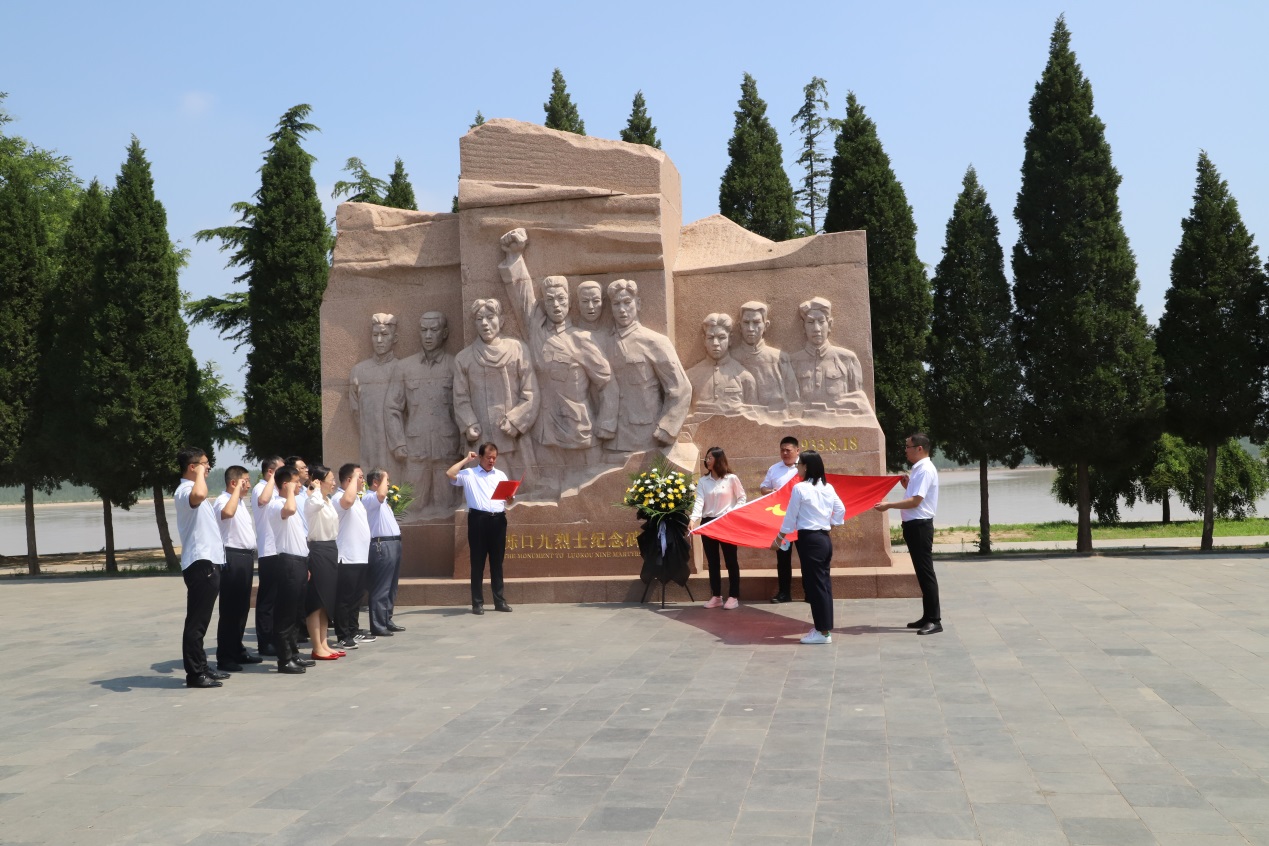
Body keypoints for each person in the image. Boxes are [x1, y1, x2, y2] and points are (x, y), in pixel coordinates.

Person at [596, 279, 692, 454]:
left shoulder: (655, 341)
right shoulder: (603, 343)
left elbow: (680, 387)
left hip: (645, 435)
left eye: (627, 302)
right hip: (612, 438)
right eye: (616, 304)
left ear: (638, 304)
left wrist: (668, 428)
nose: (622, 309)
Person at [452, 298, 540, 482]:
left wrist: (516, 421)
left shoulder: (517, 349)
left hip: (512, 435)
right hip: (481, 435)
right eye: (479, 319)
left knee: (518, 486)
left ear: (502, 320)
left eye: (490, 317)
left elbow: (530, 392)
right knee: (482, 486)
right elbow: (460, 398)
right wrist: (469, 424)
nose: (485, 323)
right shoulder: (464, 358)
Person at [385, 311, 461, 512]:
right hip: (414, 449)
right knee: (410, 507)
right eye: (424, 330)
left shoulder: (455, 365)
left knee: (447, 505)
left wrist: (464, 443)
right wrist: (398, 443)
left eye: (434, 330)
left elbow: (463, 405)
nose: (428, 336)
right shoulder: (404, 367)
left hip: (447, 448)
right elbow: (392, 408)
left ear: (444, 333)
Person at [773, 450, 846, 645]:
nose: (797, 467)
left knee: (816, 587)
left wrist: (779, 538)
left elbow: (790, 516)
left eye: (799, 464)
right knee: (823, 585)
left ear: (806, 467)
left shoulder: (800, 488)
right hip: (823, 539)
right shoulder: (827, 487)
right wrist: (831, 524)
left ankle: (823, 632)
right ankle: (823, 628)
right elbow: (840, 510)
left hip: (810, 540)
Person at [173, 447, 230, 689]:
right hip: (200, 564)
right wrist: (199, 474)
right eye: (205, 464)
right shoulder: (186, 490)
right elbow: (197, 494)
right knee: (196, 622)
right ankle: (195, 673)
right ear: (192, 467)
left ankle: (203, 667)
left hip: (208, 562)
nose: (208, 468)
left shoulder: (195, 489)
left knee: (202, 621)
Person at [873, 433, 941, 635]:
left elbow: (915, 502)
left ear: (919, 448)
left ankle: (935, 620)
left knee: (926, 572)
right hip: (914, 525)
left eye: (908, 447)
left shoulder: (925, 469)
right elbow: (915, 496)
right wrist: (908, 485)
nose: (905, 451)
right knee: (921, 572)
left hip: (920, 526)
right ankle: (927, 616)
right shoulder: (919, 469)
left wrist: (889, 505)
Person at [447, 443, 515, 615]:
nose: (492, 461)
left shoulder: (500, 475)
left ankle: (499, 601)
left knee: (497, 562)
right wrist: (466, 460)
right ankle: (477, 603)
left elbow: (509, 500)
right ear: (480, 457)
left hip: (498, 520)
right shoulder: (469, 474)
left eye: (494, 458)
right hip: (478, 520)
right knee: (477, 562)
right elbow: (450, 473)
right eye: (488, 457)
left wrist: (510, 499)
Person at [213, 465, 262, 672]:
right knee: (230, 609)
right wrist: (235, 493)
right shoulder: (223, 500)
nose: (248, 485)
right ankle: (225, 656)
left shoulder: (240, 502)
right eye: (245, 481)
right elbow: (227, 513)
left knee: (242, 608)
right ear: (234, 483)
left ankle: (237, 649)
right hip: (232, 556)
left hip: (245, 557)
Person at [787, 297, 872, 414]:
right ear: (803, 326)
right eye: (810, 322)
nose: (816, 329)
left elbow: (858, 402)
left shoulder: (847, 359)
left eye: (821, 322)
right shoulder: (792, 362)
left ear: (830, 324)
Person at [267, 467, 314, 675]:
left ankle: (294, 653)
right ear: (285, 484)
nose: (300, 485)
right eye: (296, 482)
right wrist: (289, 492)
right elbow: (290, 510)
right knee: (285, 614)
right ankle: (284, 659)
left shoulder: (289, 502)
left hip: (299, 562)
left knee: (296, 613)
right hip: (287, 562)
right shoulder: (277, 504)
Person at [689, 446, 747, 609]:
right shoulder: (703, 481)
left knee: (731, 560)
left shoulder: (731, 478)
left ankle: (733, 596)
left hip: (727, 522)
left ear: (718, 460)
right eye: (706, 458)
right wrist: (693, 519)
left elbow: (742, 498)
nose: (707, 461)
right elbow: (699, 501)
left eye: (710, 458)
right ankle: (716, 596)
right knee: (713, 562)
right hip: (708, 523)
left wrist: (732, 512)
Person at [302, 464, 344, 660]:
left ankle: (324, 643)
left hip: (330, 549)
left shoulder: (328, 501)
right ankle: (316, 646)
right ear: (320, 481)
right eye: (331, 480)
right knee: (316, 602)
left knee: (326, 601)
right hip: (318, 549)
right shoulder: (312, 500)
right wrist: (316, 489)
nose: (334, 483)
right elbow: (315, 506)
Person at [332, 463, 372, 648]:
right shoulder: (339, 498)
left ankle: (353, 630)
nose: (363, 481)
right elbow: (346, 502)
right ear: (349, 480)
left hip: (360, 556)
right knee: (344, 599)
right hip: (347, 557)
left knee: (356, 597)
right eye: (360, 477)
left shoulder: (357, 499)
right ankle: (343, 635)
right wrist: (355, 479)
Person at [686, 314, 757, 414]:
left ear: (730, 340)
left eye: (721, 337)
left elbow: (754, 416)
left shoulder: (745, 378)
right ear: (704, 340)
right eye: (710, 337)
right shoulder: (690, 377)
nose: (715, 343)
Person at [734, 301, 799, 411]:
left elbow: (794, 396)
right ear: (739, 326)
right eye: (746, 322)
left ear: (766, 325)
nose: (750, 328)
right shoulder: (732, 358)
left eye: (756, 322)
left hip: (776, 417)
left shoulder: (779, 358)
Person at [761, 436, 802, 603]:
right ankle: (784, 593)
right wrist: (771, 491)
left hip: (802, 520)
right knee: (783, 559)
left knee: (807, 557)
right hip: (782, 521)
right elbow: (763, 488)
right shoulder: (774, 469)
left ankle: (810, 592)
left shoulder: (804, 466)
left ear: (797, 450)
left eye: (788, 450)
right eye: (782, 450)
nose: (785, 453)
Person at [363, 468, 403, 636]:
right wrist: (384, 474)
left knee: (391, 586)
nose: (388, 484)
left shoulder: (383, 501)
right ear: (375, 483)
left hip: (393, 543)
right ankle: (378, 624)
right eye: (386, 481)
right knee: (381, 587)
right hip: (382, 545)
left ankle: (387, 619)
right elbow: (380, 495)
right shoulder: (369, 498)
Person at [252, 456, 283, 657]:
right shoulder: (261, 487)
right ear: (270, 472)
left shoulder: (276, 490)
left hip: (280, 550)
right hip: (268, 551)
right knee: (267, 600)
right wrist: (273, 479)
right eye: (281, 469)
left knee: (279, 599)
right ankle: (265, 641)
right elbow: (263, 500)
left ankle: (277, 638)